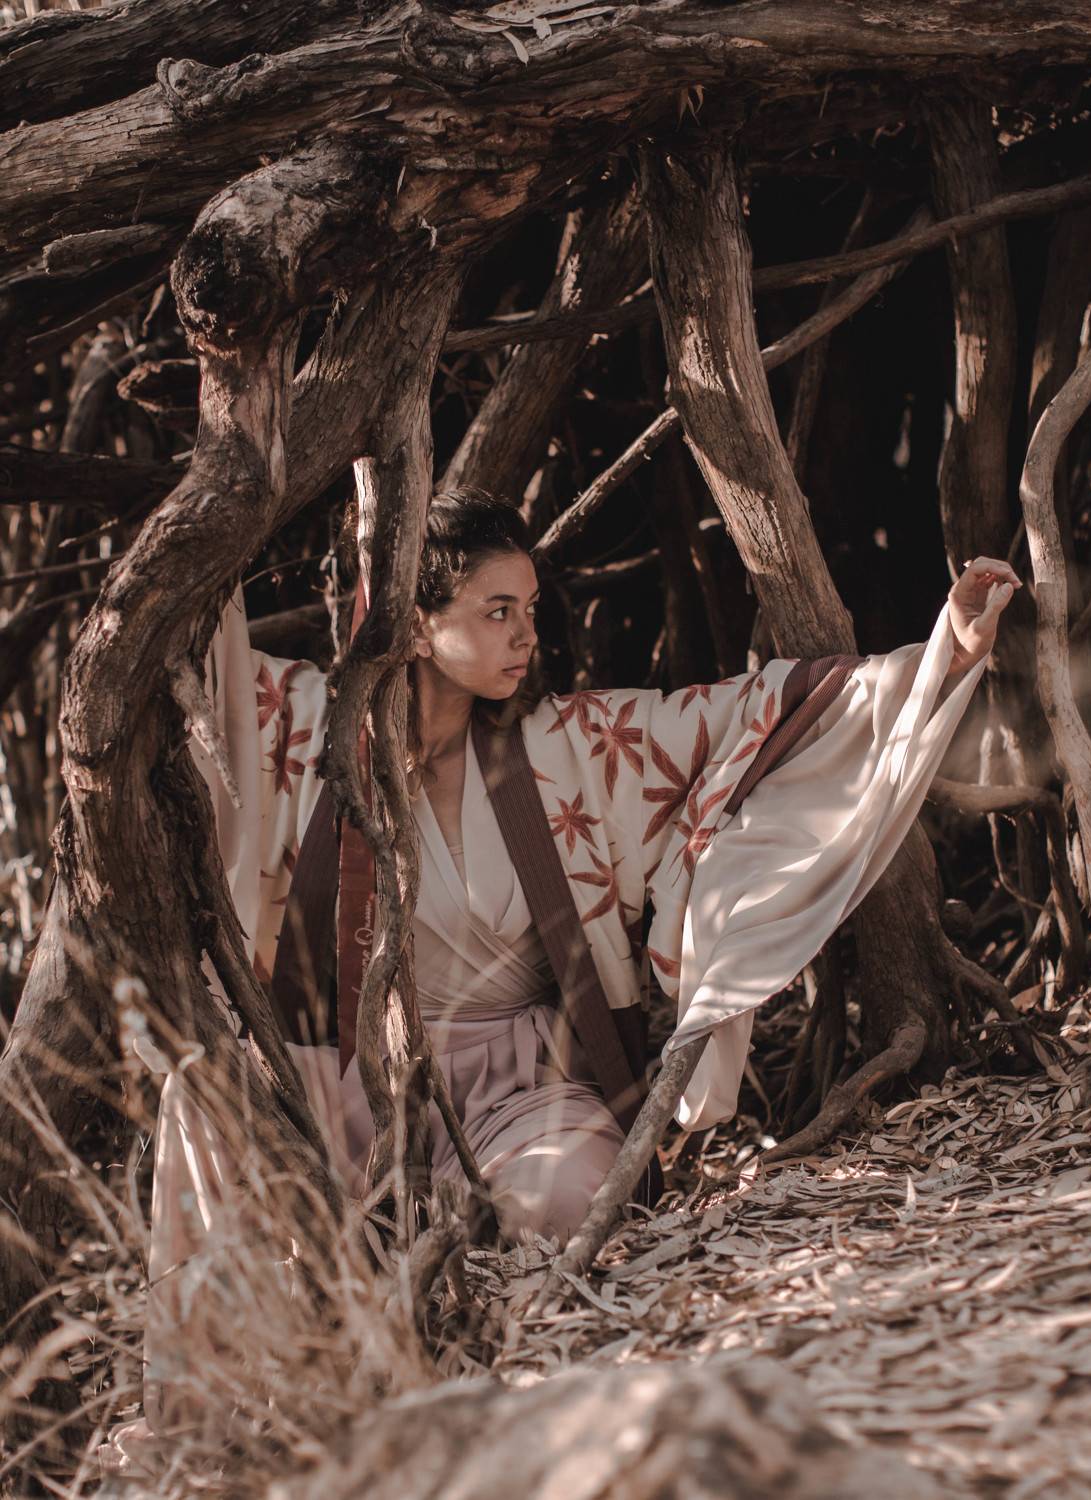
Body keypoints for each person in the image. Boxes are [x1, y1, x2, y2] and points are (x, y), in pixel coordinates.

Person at [139, 485, 1015, 1398]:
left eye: (530, 609)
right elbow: (203, 665)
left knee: (564, 1198)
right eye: (497, 612)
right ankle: (212, 1402)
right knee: (202, 1092)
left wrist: (943, 653)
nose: (527, 635)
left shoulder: (567, 747)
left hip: (519, 1086)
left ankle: (475, 1349)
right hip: (352, 1086)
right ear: (415, 624)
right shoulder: (309, 732)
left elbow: (742, 719)